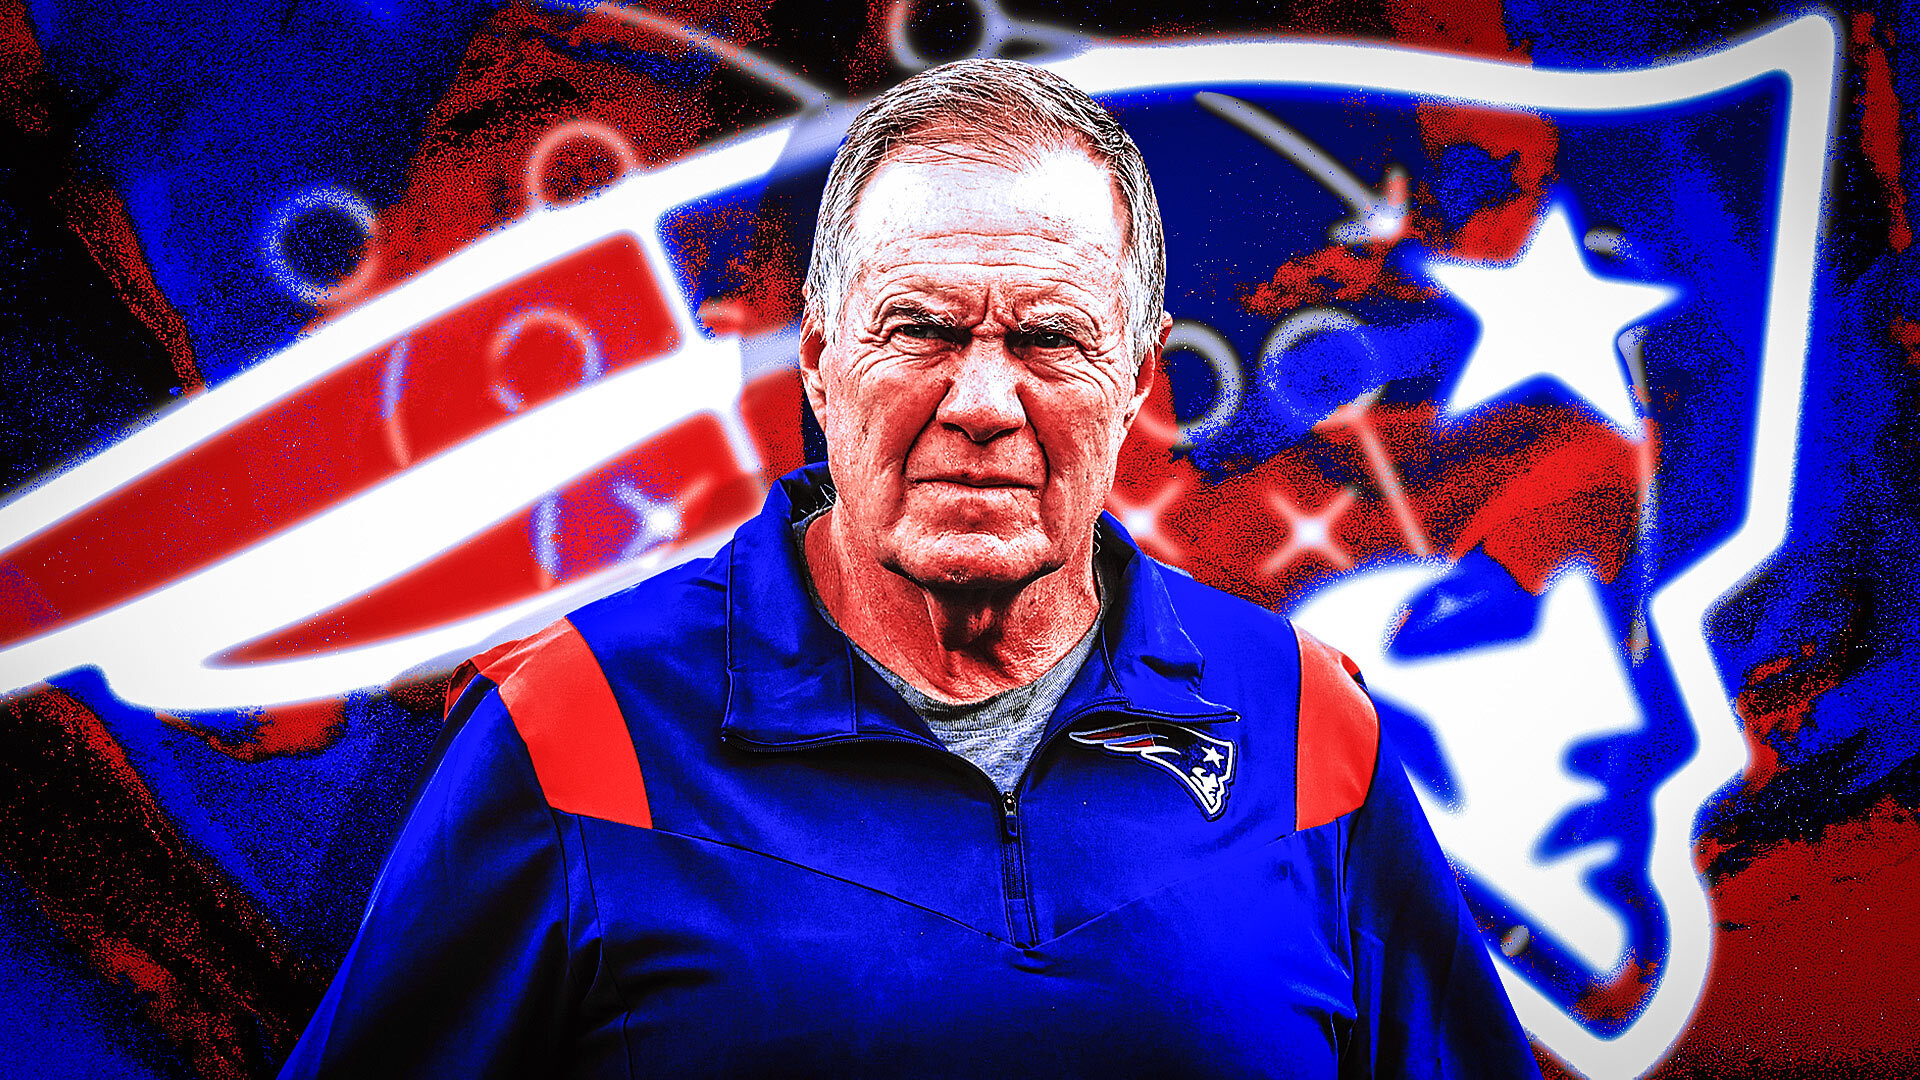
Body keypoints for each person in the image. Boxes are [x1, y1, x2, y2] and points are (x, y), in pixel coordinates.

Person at [279, 58, 1541, 1079]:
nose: (982, 402)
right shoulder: (578, 728)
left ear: (1139, 381)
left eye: (1049, 339)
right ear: (819, 361)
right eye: (922, 330)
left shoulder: (1311, 735)